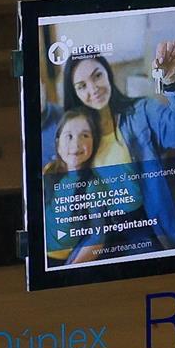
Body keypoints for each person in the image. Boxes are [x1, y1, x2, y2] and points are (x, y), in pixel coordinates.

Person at [58, 42, 175, 251]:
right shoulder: (74, 133)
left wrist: (172, 79)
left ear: (107, 73)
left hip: (143, 227)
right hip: (95, 233)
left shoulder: (141, 112)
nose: (93, 89)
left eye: (97, 76)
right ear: (74, 93)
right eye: (82, 86)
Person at [41, 106, 108, 267]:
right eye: (68, 136)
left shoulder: (93, 185)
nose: (76, 143)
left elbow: (97, 237)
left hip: (61, 260)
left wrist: (70, 267)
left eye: (85, 135)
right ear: (57, 143)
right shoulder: (49, 170)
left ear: (95, 142)